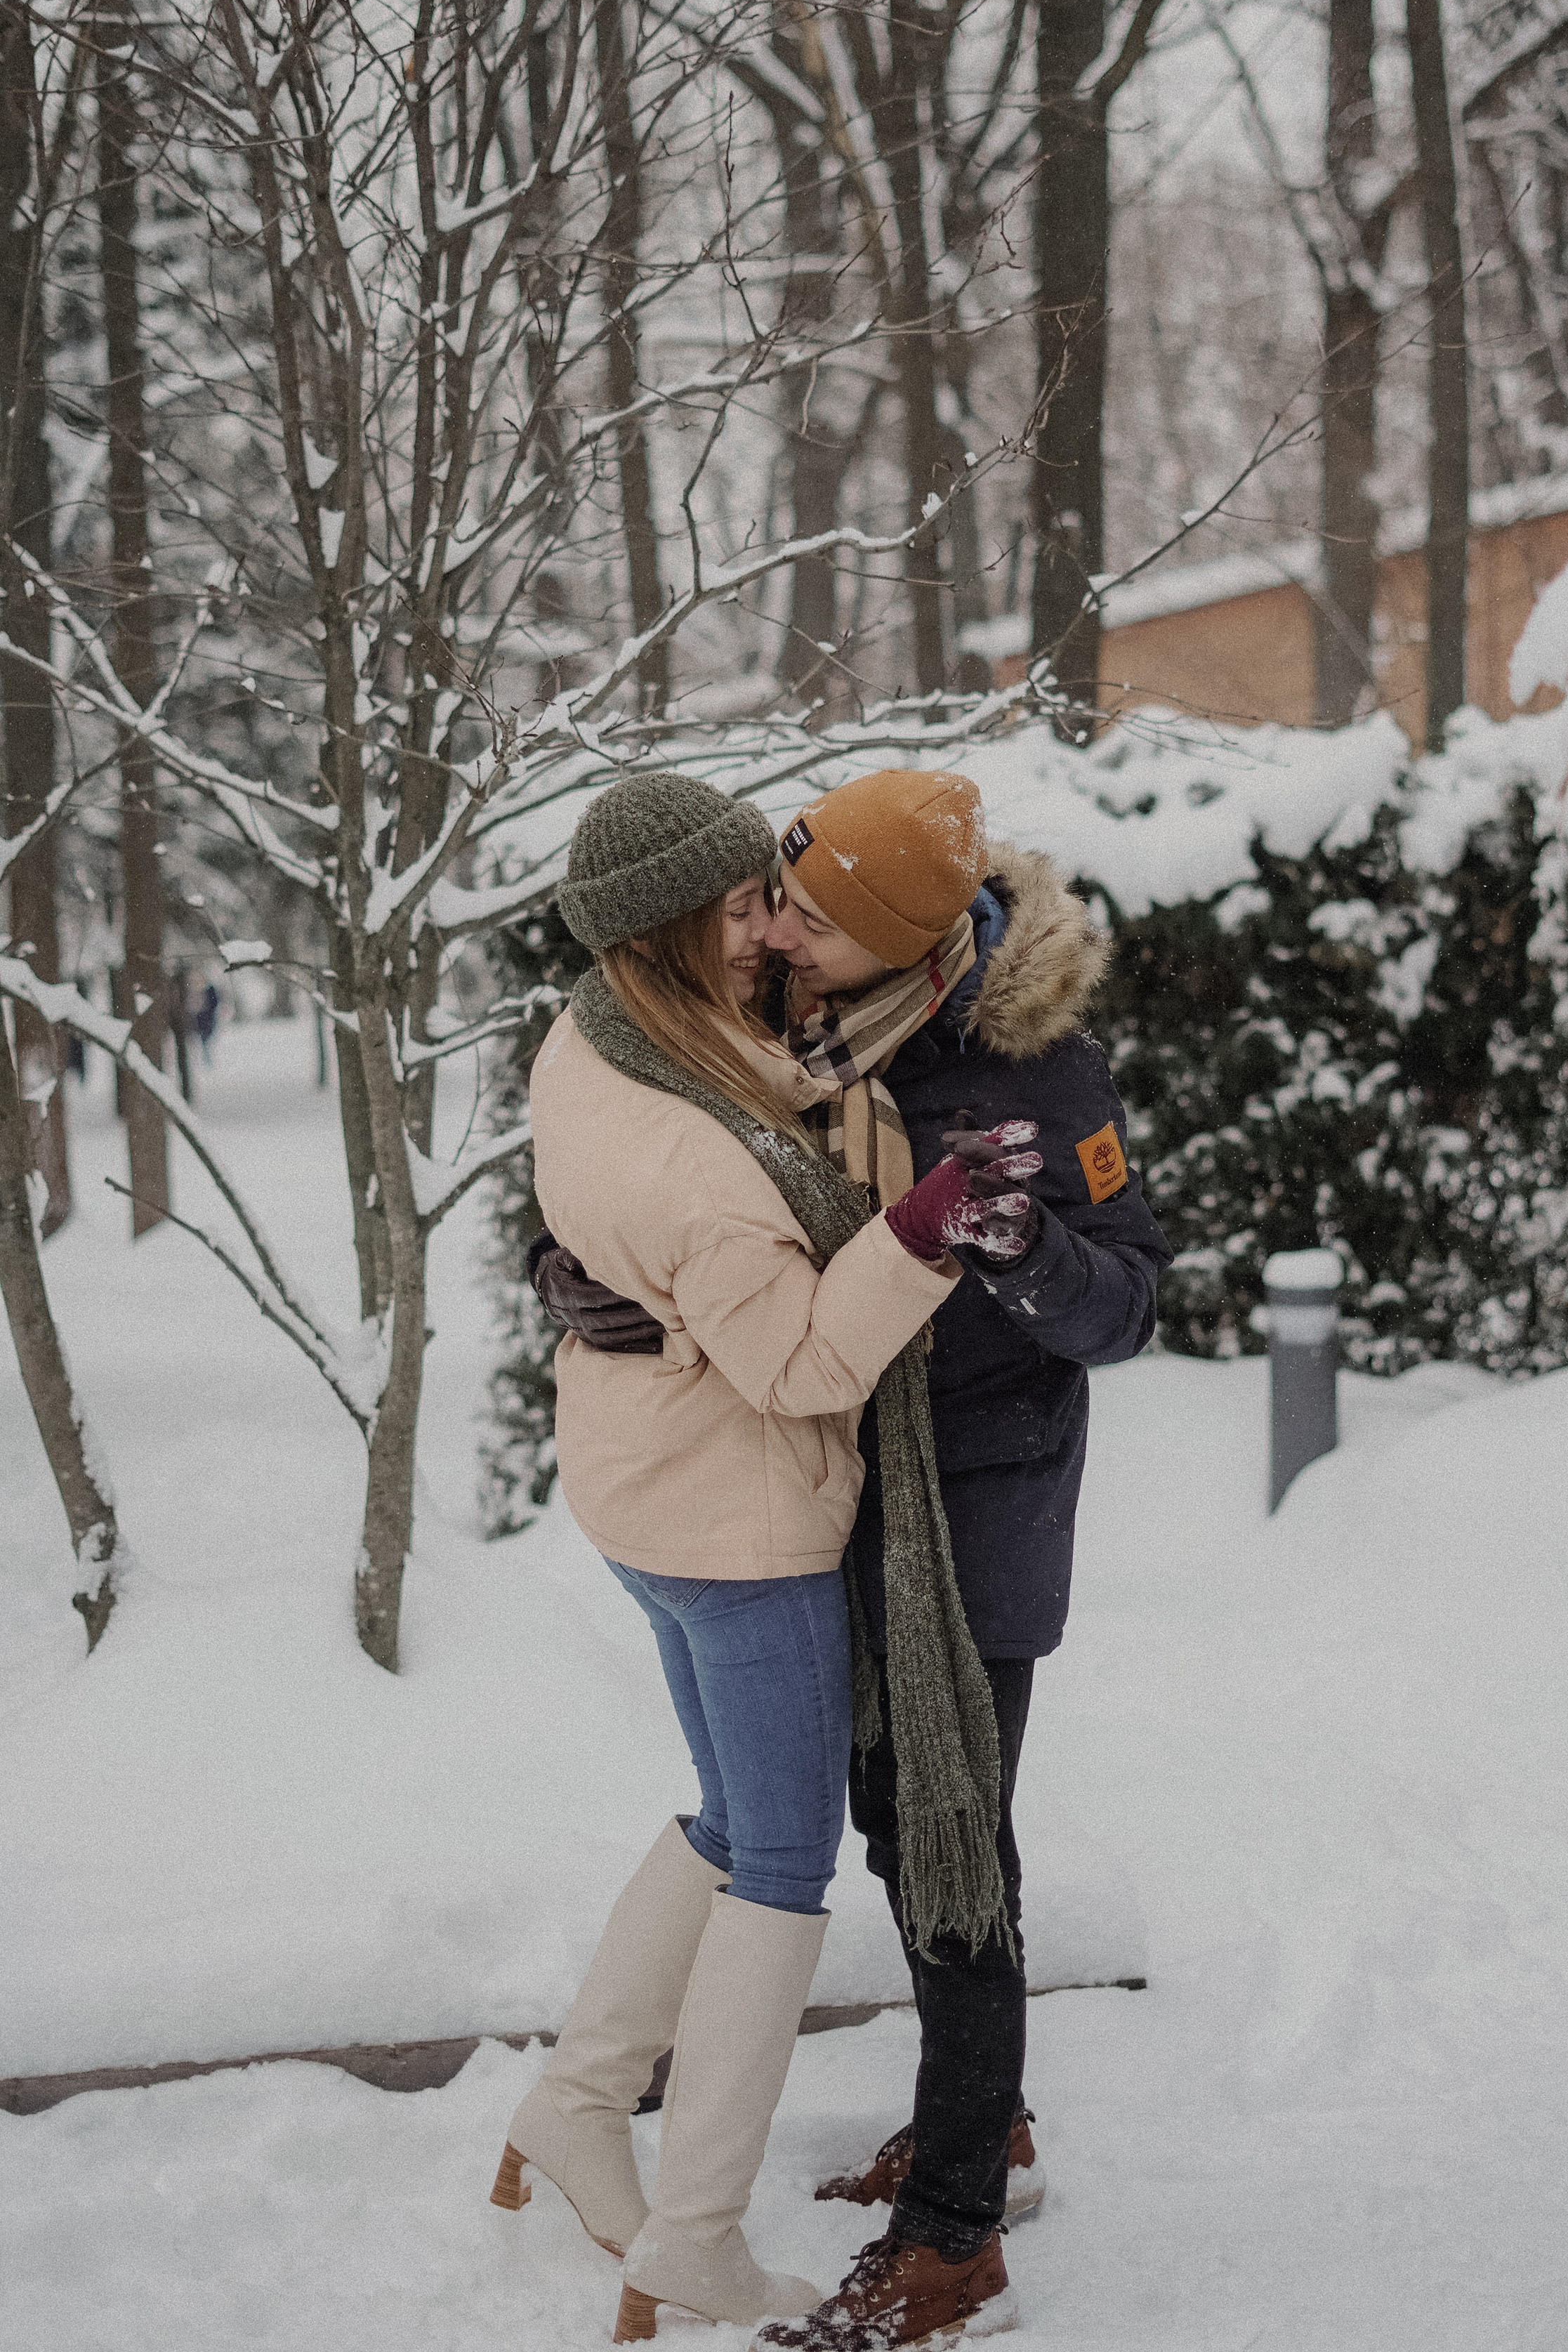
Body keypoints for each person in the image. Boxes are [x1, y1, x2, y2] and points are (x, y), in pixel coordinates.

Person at [537, 767, 1172, 2351]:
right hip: (831, 1484)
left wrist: (1023, 1253)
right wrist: (570, 1264)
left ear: (892, 939)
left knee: (949, 1849)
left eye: (810, 916)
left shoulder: (1040, 1075)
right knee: (887, 1833)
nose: (774, 934)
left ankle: (956, 2224)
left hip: (976, 1509)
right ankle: (988, 2120)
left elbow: (1129, 1307)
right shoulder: (796, 1020)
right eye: (776, 904)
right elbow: (675, 1156)